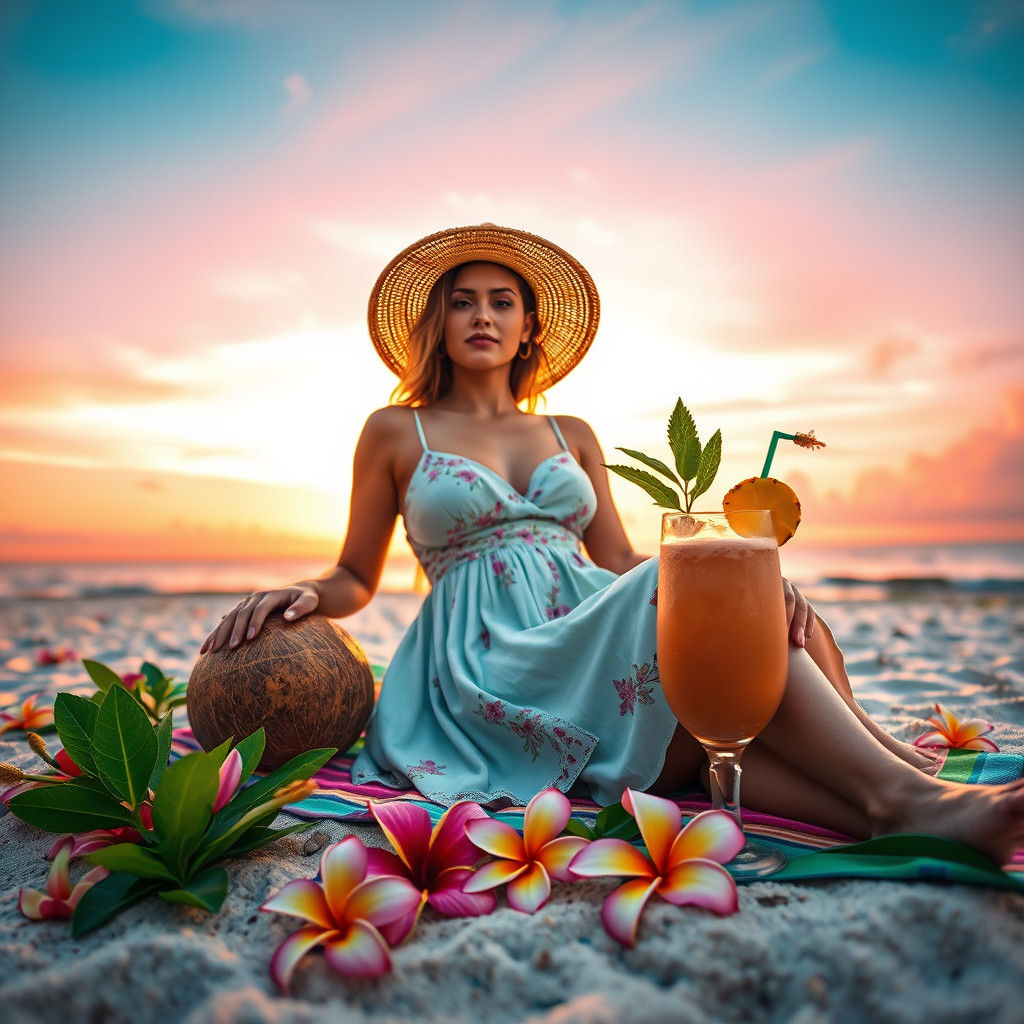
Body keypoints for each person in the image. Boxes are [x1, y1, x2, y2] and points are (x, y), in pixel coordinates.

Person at [202, 223, 1024, 864]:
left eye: (502, 301)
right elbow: (355, 573)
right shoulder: (394, 429)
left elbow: (625, 560)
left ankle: (902, 802)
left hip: (589, 627)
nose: (483, 315)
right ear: (438, 323)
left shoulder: (573, 431)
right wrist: (307, 593)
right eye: (462, 301)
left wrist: (729, 578)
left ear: (528, 326)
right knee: (691, 622)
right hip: (486, 657)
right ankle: (906, 793)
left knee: (737, 636)